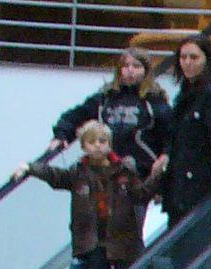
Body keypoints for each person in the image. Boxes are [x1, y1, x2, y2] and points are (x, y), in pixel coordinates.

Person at [16, 121, 161, 269]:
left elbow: (140, 194)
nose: (98, 146)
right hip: (93, 242)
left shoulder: (124, 171)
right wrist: (30, 168)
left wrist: (159, 177)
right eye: (92, 142)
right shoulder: (78, 173)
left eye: (102, 141)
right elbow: (55, 175)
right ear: (84, 146)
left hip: (123, 239)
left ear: (109, 144)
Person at [159, 34, 211, 226]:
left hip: (200, 186)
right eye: (183, 57)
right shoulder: (186, 93)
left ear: (207, 60)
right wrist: (166, 153)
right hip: (181, 188)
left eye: (193, 57)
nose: (187, 63)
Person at [49, 47, 171, 176]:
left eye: (136, 66)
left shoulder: (155, 101)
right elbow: (75, 116)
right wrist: (61, 135)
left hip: (144, 174)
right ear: (119, 70)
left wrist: (166, 155)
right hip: (108, 173)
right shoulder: (105, 98)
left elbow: (172, 134)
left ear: (146, 71)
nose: (130, 70)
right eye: (126, 66)